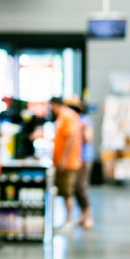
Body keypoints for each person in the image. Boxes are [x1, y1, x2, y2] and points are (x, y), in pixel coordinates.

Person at [51, 96, 82, 232]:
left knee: (67, 192)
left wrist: (64, 158)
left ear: (55, 104)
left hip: (69, 163)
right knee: (64, 192)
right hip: (63, 162)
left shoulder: (67, 116)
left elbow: (70, 137)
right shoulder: (63, 116)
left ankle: (68, 221)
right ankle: (66, 220)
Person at [66, 97, 95, 229]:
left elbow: (88, 139)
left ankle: (88, 217)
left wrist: (82, 129)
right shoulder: (72, 119)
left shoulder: (85, 120)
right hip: (74, 158)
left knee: (81, 187)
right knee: (75, 188)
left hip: (85, 158)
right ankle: (83, 216)